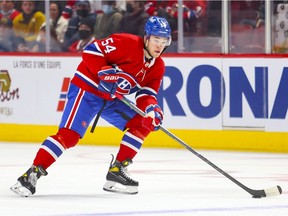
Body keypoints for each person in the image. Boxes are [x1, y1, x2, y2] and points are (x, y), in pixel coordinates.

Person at [10, 15, 171, 196]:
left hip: (111, 99)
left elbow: (147, 94)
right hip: (87, 90)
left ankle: (116, 171)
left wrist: (151, 109)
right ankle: (30, 175)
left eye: (164, 40)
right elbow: (91, 51)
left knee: (142, 123)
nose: (159, 45)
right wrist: (103, 71)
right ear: (147, 37)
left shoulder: (158, 66)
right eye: (156, 39)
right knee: (69, 136)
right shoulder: (127, 43)